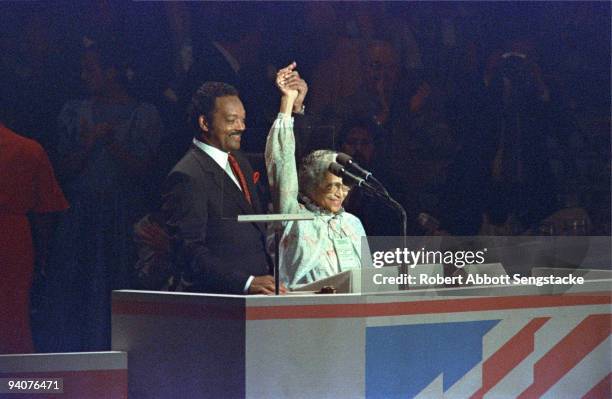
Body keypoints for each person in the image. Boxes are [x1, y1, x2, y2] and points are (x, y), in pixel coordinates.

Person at [45, 39, 164, 351]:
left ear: (111, 72)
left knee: (118, 283)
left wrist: (110, 142)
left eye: (90, 69)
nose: (84, 75)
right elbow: (63, 170)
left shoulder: (142, 114)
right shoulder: (74, 112)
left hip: (121, 217)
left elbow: (144, 171)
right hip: (80, 216)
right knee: (76, 288)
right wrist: (88, 143)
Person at [162, 81, 285, 295]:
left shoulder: (240, 161)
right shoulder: (188, 175)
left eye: (242, 119)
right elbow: (189, 250)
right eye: (231, 120)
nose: (241, 127)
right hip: (220, 302)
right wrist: (246, 282)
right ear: (204, 123)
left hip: (260, 298)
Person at [265, 63, 368, 289]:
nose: (339, 193)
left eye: (344, 186)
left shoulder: (353, 224)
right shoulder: (294, 217)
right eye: (331, 186)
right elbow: (281, 163)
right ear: (311, 184)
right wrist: (287, 103)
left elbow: (367, 281)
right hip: (305, 313)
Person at [0, 124, 68, 354]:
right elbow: (45, 211)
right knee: (12, 316)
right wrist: (43, 255)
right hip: (12, 239)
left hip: (13, 234)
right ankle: (18, 384)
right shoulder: (28, 150)